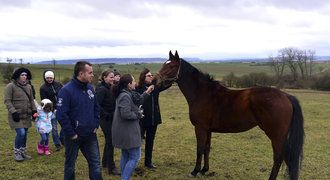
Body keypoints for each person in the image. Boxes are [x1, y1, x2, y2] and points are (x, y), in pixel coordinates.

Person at [57, 61, 102, 180]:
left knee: (95, 163)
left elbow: (96, 108)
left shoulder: (90, 88)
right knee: (70, 165)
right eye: (90, 72)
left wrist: (95, 124)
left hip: (90, 134)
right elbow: (61, 115)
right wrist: (71, 134)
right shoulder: (66, 91)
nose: (93, 75)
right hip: (73, 136)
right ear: (81, 73)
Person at [112, 74, 154, 180]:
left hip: (126, 131)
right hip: (127, 132)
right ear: (129, 84)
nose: (135, 83)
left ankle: (124, 177)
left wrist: (147, 92)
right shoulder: (125, 96)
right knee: (135, 157)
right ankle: (125, 178)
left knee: (126, 155)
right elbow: (125, 114)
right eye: (133, 81)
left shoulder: (127, 93)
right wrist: (138, 115)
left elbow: (138, 100)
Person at [136, 68, 171, 169]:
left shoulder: (155, 87)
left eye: (151, 75)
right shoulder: (138, 88)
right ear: (143, 77)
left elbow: (166, 85)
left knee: (150, 141)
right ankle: (135, 163)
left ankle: (148, 162)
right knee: (138, 142)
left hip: (153, 119)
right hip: (141, 120)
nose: (151, 77)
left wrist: (172, 77)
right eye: (149, 75)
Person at [4, 67, 37, 162]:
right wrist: (13, 112)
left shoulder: (29, 86)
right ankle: (17, 153)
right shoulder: (10, 86)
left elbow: (31, 100)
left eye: (26, 75)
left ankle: (23, 152)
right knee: (21, 133)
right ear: (17, 76)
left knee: (25, 134)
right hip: (15, 116)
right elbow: (7, 101)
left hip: (26, 115)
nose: (24, 77)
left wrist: (34, 110)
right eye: (22, 75)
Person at [95, 69, 120, 175]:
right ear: (104, 78)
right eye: (110, 77)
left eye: (113, 76)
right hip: (105, 119)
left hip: (111, 118)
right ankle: (111, 167)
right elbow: (97, 105)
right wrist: (107, 115)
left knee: (109, 141)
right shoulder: (101, 89)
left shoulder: (111, 87)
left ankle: (105, 162)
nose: (113, 78)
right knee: (111, 141)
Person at [40, 70, 64, 151]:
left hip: (61, 108)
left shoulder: (59, 84)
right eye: (47, 78)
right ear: (45, 78)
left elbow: (64, 94)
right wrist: (53, 110)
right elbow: (44, 101)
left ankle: (62, 139)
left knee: (65, 125)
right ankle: (57, 144)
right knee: (54, 128)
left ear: (53, 78)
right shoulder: (43, 88)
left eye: (51, 78)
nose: (49, 79)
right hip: (51, 111)